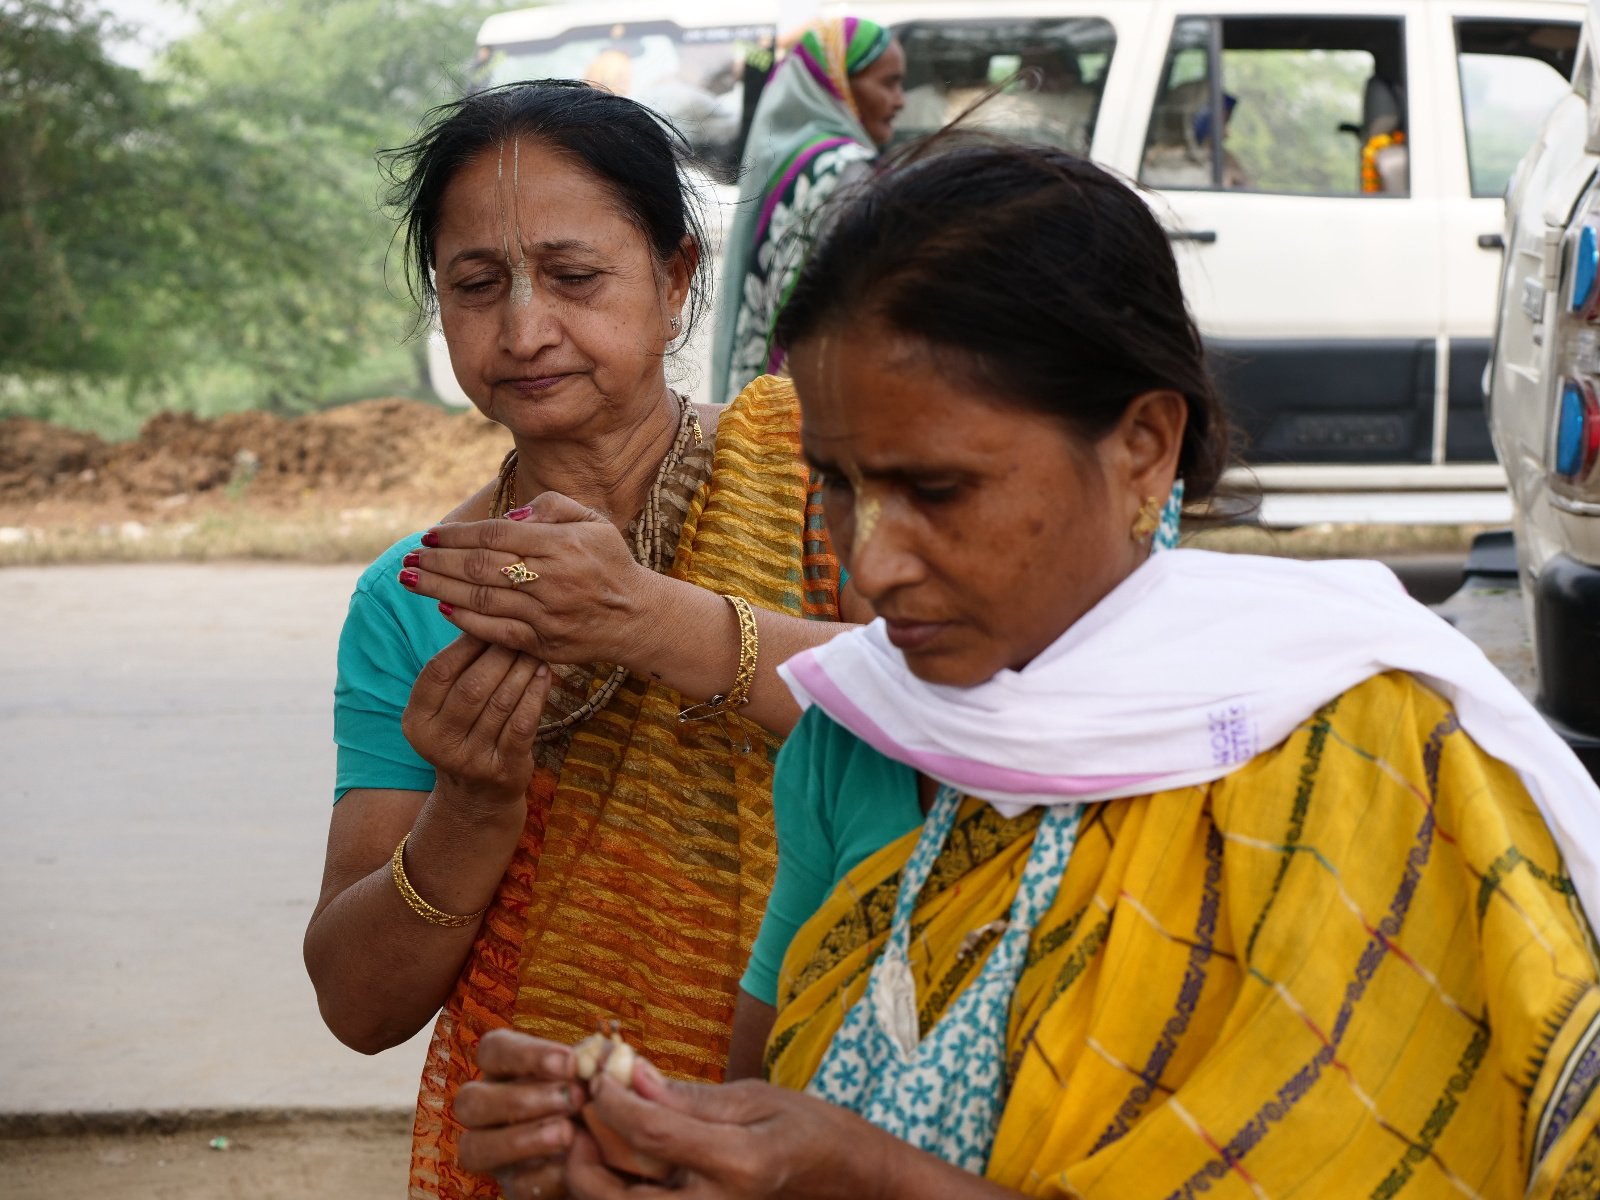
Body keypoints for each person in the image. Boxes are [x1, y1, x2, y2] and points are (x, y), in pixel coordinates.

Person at [461, 139, 1600, 1197]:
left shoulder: (1355, 763)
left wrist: (868, 1176)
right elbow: (771, 1119)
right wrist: (646, 1152)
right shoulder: (857, 731)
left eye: (940, 491)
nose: (870, 565)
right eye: (844, 486)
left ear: (1144, 444)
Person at [303, 80, 865, 1200]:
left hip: (842, 1115)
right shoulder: (418, 593)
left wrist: (651, 619)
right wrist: (468, 811)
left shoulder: (819, 468)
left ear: (675, 280)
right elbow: (357, 1006)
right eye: (475, 286)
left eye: (573, 277)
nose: (523, 330)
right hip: (560, 1147)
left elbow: (976, 722)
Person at [708, 18, 905, 405]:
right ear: (838, 86)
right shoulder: (852, 170)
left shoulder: (786, 154)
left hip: (762, 397)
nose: (900, 100)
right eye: (888, 83)